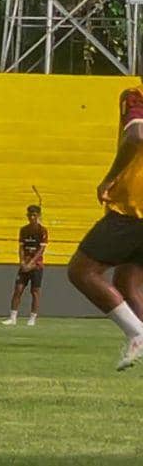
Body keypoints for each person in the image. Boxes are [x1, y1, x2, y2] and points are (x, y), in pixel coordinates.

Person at [68, 83, 143, 370]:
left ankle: (136, 333)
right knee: (127, 283)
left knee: (82, 271)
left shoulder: (136, 94)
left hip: (134, 207)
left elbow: (136, 136)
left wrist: (110, 178)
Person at [2, 205, 48, 326]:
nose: (31, 217)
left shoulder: (42, 230)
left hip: (36, 266)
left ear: (38, 216)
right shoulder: (24, 230)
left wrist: (32, 263)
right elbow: (21, 247)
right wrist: (22, 262)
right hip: (25, 264)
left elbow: (41, 249)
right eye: (29, 215)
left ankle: (32, 318)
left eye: (34, 215)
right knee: (18, 289)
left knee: (35, 292)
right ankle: (13, 317)